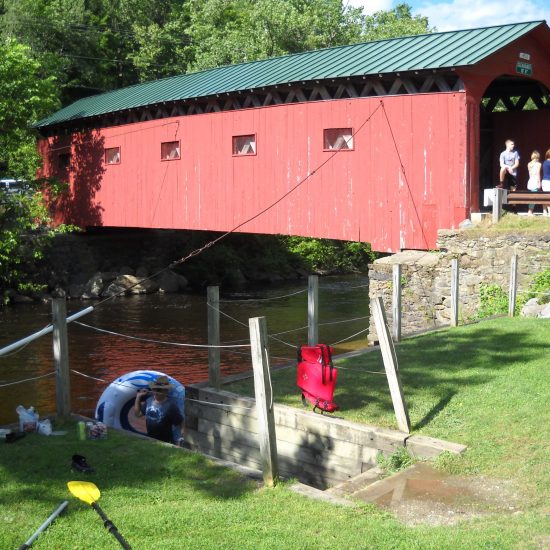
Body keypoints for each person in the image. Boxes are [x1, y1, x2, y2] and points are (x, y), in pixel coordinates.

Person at [134, 375, 184, 444]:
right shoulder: (149, 400)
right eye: (154, 389)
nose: (156, 391)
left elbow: (180, 422)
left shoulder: (171, 406)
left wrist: (181, 437)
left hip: (166, 442)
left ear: (166, 391)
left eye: (159, 389)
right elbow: (138, 414)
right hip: (150, 439)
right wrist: (138, 397)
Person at [526, 150, 541, 216]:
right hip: (535, 181)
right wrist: (539, 182)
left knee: (531, 197)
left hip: (530, 181)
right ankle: (530, 212)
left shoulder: (529, 164)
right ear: (537, 157)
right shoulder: (539, 164)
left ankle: (530, 211)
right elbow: (538, 173)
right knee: (534, 197)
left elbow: (530, 174)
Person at [542, 148, 550, 217]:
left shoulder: (544, 162)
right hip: (548, 181)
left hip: (544, 181)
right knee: (548, 197)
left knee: (545, 196)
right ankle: (549, 212)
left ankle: (544, 211)